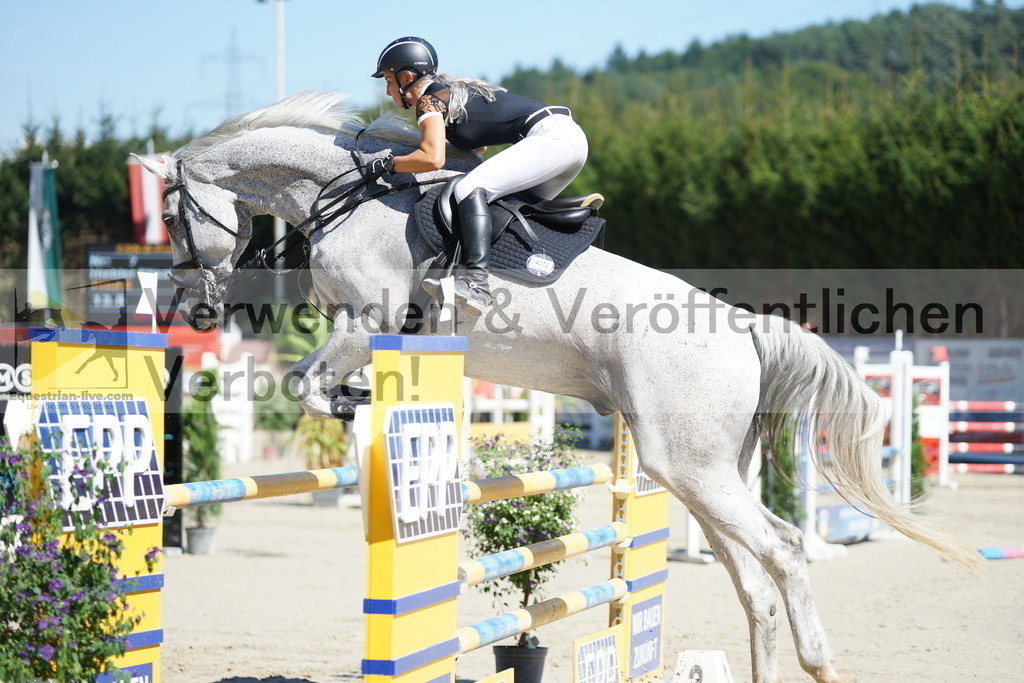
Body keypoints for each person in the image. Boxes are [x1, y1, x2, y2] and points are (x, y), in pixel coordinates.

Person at [370, 36, 591, 314]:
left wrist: (389, 165)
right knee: (506, 209)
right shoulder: (446, 94)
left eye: (388, 81)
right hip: (567, 141)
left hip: (551, 139)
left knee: (468, 189)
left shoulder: (429, 101)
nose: (387, 91)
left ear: (406, 78)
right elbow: (478, 147)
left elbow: (432, 158)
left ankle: (476, 283)